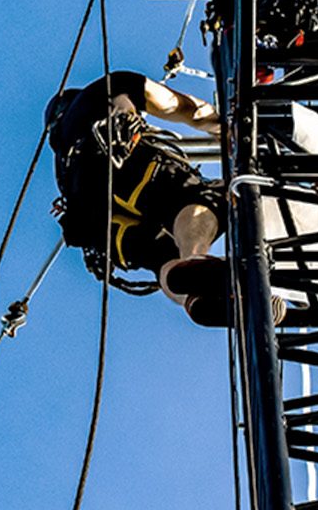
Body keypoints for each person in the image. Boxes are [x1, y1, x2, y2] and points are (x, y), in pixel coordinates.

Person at [46, 71, 237, 326]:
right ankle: (194, 259)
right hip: (126, 166)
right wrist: (225, 129)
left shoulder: (62, 166)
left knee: (160, 257)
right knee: (192, 199)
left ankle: (192, 300)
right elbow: (177, 105)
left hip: (97, 225)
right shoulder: (99, 92)